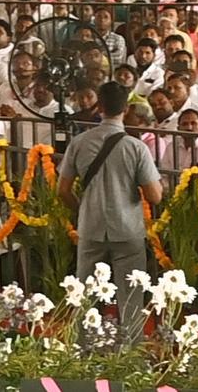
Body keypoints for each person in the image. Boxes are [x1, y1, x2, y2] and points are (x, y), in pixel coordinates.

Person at [58, 81, 163, 346]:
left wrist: (81, 207)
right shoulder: (136, 147)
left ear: (99, 107)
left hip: (90, 227)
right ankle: (130, 353)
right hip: (127, 229)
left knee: (87, 294)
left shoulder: (79, 142)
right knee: (130, 296)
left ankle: (84, 352)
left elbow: (63, 190)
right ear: (126, 109)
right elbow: (155, 195)